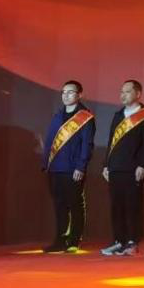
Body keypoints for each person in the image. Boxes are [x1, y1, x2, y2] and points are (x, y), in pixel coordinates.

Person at [101, 80, 144, 257]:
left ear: (138, 94)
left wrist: (143, 164)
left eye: (127, 91)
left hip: (133, 168)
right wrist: (106, 164)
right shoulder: (118, 115)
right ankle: (119, 241)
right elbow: (111, 141)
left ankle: (132, 242)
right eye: (121, 92)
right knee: (116, 206)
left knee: (133, 206)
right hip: (115, 167)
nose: (123, 95)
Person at [42, 80, 95, 253]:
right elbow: (50, 142)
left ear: (79, 95)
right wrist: (45, 164)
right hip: (55, 168)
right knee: (59, 206)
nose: (66, 95)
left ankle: (74, 240)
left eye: (70, 92)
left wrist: (81, 166)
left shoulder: (85, 117)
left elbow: (87, 144)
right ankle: (59, 240)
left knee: (75, 205)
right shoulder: (57, 116)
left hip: (73, 169)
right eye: (63, 92)